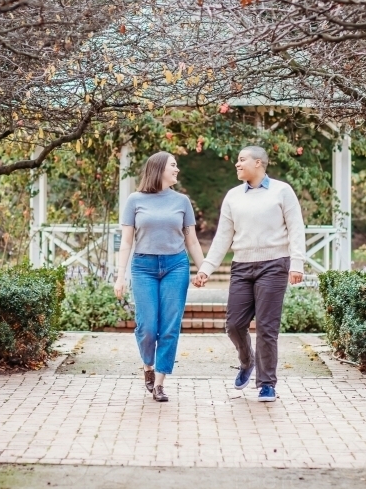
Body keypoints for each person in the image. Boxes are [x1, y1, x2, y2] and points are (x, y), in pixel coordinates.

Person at [193, 146, 306, 403]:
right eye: (237, 160)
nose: (237, 164)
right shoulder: (233, 196)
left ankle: (267, 384)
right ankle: (247, 361)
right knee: (234, 325)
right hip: (242, 266)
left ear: (259, 163)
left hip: (274, 265)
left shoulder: (282, 191)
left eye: (242, 160)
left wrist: (297, 263)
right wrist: (206, 269)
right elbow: (223, 236)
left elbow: (296, 228)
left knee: (267, 328)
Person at [115, 151, 205, 402]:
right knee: (147, 327)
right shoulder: (135, 200)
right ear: (159, 169)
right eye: (173, 166)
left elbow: (192, 241)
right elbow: (126, 243)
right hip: (143, 267)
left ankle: (160, 383)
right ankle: (148, 367)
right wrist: (120, 276)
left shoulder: (182, 201)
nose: (177, 170)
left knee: (169, 327)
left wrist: (203, 268)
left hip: (176, 266)